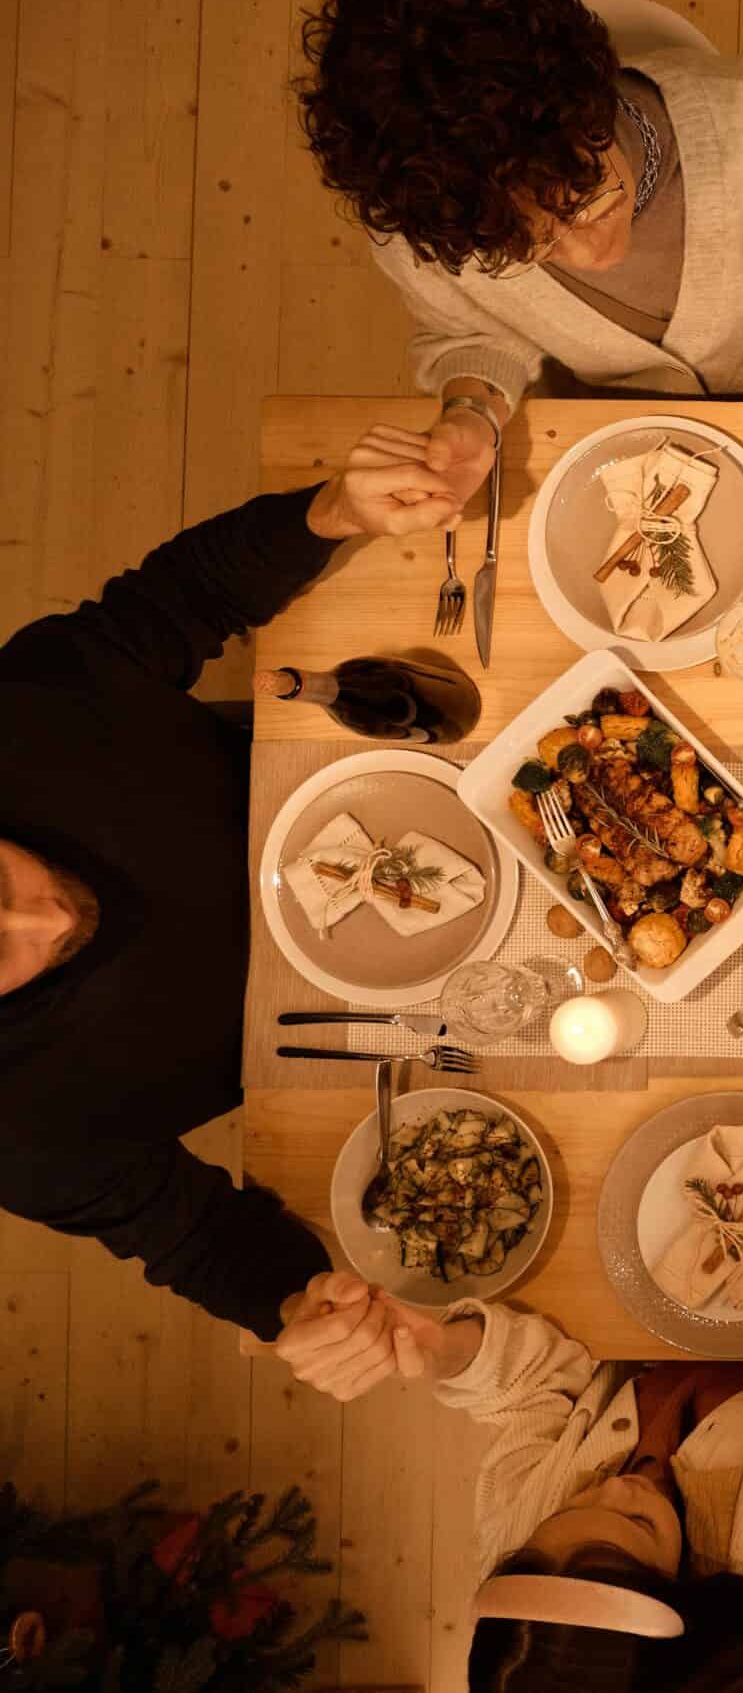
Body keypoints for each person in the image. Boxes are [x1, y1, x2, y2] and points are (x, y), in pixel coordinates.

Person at [0, 433, 465, 1339]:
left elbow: (180, 597)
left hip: (376, 772)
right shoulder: (21, 1139)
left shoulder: (20, 713)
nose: (44, 912)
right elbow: (195, 1240)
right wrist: (295, 1304)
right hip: (402, 1018)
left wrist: (328, 511)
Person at [295, 0, 743, 507]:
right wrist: (472, 413)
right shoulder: (436, 229)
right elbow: (470, 331)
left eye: (587, 199)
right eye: (527, 250)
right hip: (619, 442)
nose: (590, 255)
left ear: (595, 104)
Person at [268, 1272, 743, 1685]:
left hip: (677, 1312)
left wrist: (443, 1351)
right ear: (679, 1587)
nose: (618, 1486)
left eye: (577, 1502)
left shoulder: (519, 1541)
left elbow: (534, 1388)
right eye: (638, 1524)